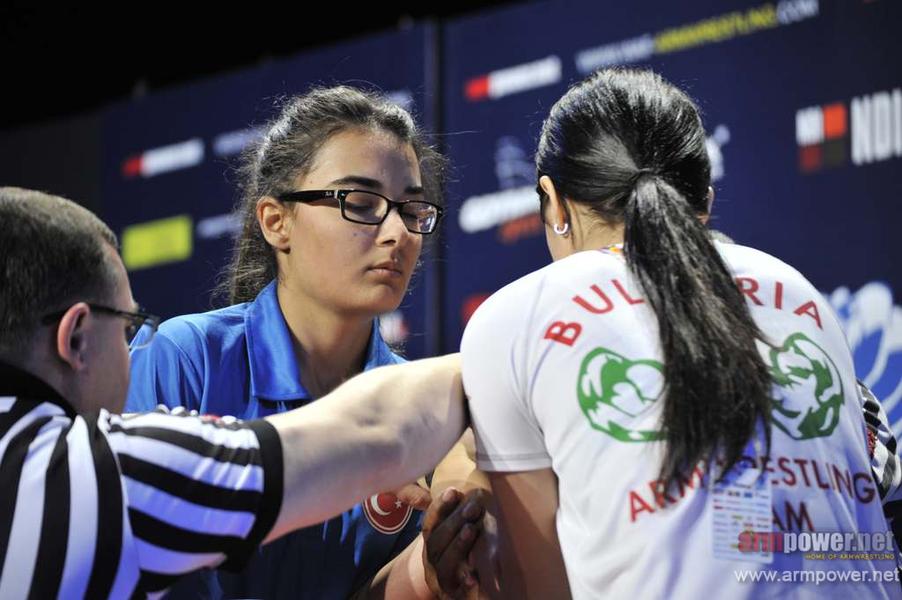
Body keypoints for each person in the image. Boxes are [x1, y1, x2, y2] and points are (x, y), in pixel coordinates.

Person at [459, 69, 900, 598]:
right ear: (706, 201)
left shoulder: (515, 316)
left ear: (553, 203)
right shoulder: (801, 294)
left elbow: (539, 587)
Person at [0, 187, 468, 598]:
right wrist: (502, 350)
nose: (132, 353)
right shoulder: (115, 471)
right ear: (76, 337)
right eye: (125, 328)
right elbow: (373, 429)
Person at [125, 86, 449, 598]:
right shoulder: (187, 357)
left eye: (412, 211)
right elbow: (127, 555)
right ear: (277, 222)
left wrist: (428, 568)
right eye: (361, 203)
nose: (398, 233)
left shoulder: (418, 408)